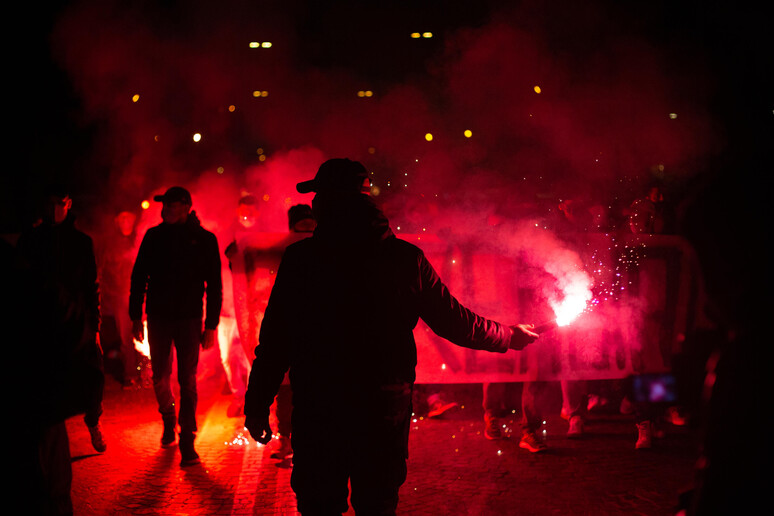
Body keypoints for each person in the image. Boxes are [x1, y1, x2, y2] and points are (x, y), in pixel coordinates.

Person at [243, 158, 539, 515]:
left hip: (321, 404)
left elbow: (276, 339)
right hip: (383, 404)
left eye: (317, 194)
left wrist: (258, 403)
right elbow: (455, 322)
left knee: (320, 504)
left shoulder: (302, 259)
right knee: (377, 504)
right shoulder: (404, 258)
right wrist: (506, 335)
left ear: (327, 201)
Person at [16, 186, 106, 514]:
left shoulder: (81, 243)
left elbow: (90, 285)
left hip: (75, 325)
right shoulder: (31, 241)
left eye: (61, 203)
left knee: (91, 380)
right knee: (49, 412)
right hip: (42, 331)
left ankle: (93, 419)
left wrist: (92, 325)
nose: (56, 208)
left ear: (69, 205)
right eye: (51, 202)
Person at [129, 186, 222, 466]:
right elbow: (138, 278)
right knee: (159, 376)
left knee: (188, 380)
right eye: (164, 205)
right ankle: (169, 419)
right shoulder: (154, 237)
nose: (165, 209)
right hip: (158, 318)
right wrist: (136, 316)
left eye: (171, 205)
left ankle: (187, 439)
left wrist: (211, 325)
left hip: (190, 319)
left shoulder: (204, 239)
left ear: (185, 207)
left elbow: (214, 286)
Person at [97, 208, 142, 389]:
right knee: (126, 337)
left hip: (142, 295)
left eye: (128, 218)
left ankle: (151, 371)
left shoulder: (139, 238)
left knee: (149, 333)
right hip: (120, 296)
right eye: (121, 218)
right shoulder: (111, 244)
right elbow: (102, 270)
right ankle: (131, 374)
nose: (125, 222)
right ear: (117, 221)